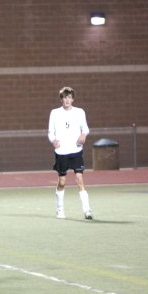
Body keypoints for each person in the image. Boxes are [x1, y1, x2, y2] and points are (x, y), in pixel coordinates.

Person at [48, 86, 93, 219]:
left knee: (79, 179)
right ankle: (60, 209)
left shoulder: (80, 112)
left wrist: (83, 135)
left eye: (69, 97)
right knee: (62, 182)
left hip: (76, 151)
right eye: (64, 97)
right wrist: (53, 140)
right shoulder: (54, 113)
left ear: (72, 99)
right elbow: (51, 132)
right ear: (61, 99)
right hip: (61, 152)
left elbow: (85, 128)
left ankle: (87, 210)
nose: (67, 100)